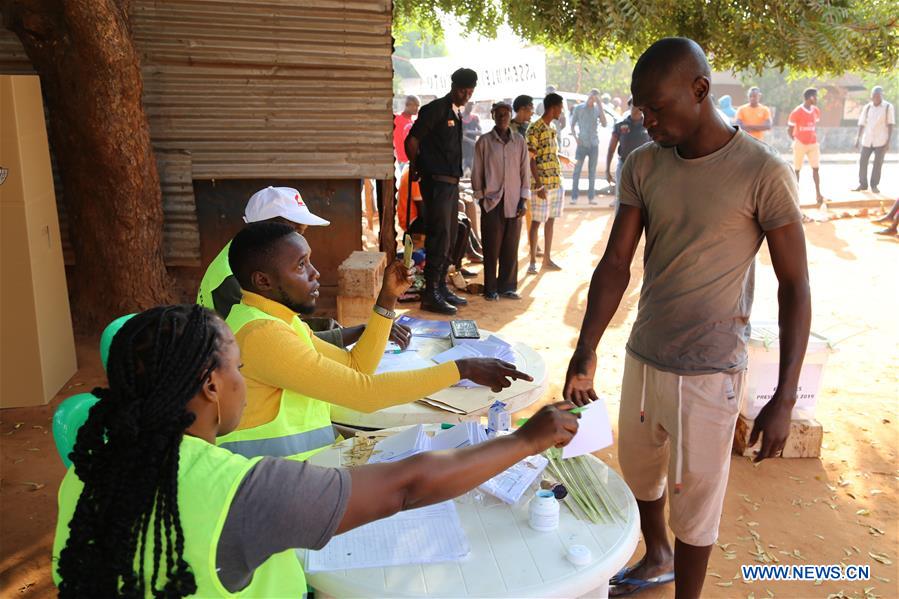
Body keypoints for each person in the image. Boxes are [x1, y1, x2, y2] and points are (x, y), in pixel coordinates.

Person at [52, 304, 580, 597]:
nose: (243, 379)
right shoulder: (235, 491)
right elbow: (407, 485)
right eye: (237, 368)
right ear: (211, 386)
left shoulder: (89, 471)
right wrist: (526, 440)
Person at [563, 38, 810, 599]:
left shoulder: (762, 172)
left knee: (697, 501)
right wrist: (586, 351)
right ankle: (657, 556)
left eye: (656, 106)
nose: (645, 119)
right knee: (641, 471)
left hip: (711, 370)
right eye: (639, 108)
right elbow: (616, 263)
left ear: (700, 90)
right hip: (646, 354)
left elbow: (795, 284)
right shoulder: (643, 164)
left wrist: (785, 395)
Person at [220, 222, 532, 461]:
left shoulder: (275, 320)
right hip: (273, 481)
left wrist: (387, 299)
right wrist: (461, 369)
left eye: (310, 261)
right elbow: (365, 394)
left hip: (303, 467)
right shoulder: (262, 335)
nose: (315, 274)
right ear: (263, 281)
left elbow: (358, 367)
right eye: (301, 266)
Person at [196, 186, 406, 349]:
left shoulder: (244, 255)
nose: (298, 240)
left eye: (302, 232)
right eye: (294, 230)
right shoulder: (234, 279)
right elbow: (279, 342)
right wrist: (365, 331)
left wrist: (362, 330)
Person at [405, 67, 478, 315]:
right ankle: (430, 295)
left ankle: (440, 287)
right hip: (436, 182)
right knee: (438, 235)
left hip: (450, 183)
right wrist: (415, 167)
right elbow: (412, 140)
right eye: (462, 89)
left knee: (449, 235)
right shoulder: (435, 109)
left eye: (469, 91)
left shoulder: (456, 113)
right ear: (453, 86)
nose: (465, 94)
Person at [471, 102, 530, 301]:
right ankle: (491, 288)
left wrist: (524, 199)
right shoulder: (484, 142)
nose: (503, 117)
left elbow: (525, 171)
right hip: (492, 201)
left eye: (506, 114)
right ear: (493, 115)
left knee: (511, 245)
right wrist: (480, 198)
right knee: (491, 246)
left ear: (510, 115)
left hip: (514, 201)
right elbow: (477, 171)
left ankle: (508, 287)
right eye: (499, 114)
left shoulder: (519, 141)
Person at [527, 92, 566, 275]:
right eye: (560, 107)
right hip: (542, 184)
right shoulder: (535, 128)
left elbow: (548, 153)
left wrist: (561, 156)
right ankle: (533, 261)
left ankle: (547, 258)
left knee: (550, 221)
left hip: (556, 181)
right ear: (552, 108)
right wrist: (539, 185)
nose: (562, 111)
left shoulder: (551, 128)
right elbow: (531, 160)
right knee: (536, 222)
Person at [606, 98, 651, 208]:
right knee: (621, 197)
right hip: (624, 166)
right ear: (629, 107)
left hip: (644, 168)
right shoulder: (620, 126)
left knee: (644, 197)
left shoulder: (649, 125)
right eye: (634, 106)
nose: (637, 109)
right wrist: (607, 170)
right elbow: (611, 149)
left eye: (640, 107)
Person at [570, 89, 609, 206]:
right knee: (577, 172)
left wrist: (600, 105)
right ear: (588, 96)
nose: (592, 99)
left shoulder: (597, 109)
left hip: (593, 144)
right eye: (592, 96)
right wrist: (576, 138)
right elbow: (572, 125)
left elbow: (605, 123)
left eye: (595, 98)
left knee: (592, 172)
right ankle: (574, 197)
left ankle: (591, 197)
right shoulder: (579, 108)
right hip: (582, 144)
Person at [853, 86, 895, 194]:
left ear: (881, 95)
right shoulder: (867, 108)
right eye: (874, 95)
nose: (876, 97)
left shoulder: (888, 107)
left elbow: (890, 124)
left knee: (878, 163)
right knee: (863, 161)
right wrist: (857, 138)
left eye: (878, 95)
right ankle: (863, 184)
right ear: (871, 96)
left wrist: (888, 142)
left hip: (881, 140)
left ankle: (874, 185)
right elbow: (861, 124)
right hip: (867, 139)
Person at [788, 87, 825, 206]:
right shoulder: (797, 111)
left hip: (813, 143)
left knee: (816, 168)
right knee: (797, 170)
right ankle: (795, 196)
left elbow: (814, 125)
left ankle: (818, 194)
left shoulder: (816, 111)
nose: (817, 98)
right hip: (800, 143)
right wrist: (796, 141)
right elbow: (789, 129)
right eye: (815, 96)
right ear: (810, 98)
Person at [393, 95, 420, 167]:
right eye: (415, 105)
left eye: (418, 106)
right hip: (404, 161)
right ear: (407, 105)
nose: (417, 108)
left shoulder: (413, 122)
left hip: (413, 161)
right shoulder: (397, 119)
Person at [461, 101, 482, 176]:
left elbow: (480, 132)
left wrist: (469, 131)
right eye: (469, 105)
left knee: (474, 175)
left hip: (472, 152)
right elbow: (459, 135)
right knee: (461, 175)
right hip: (462, 152)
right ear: (465, 105)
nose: (470, 107)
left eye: (472, 106)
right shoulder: (459, 116)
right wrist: (469, 140)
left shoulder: (474, 118)